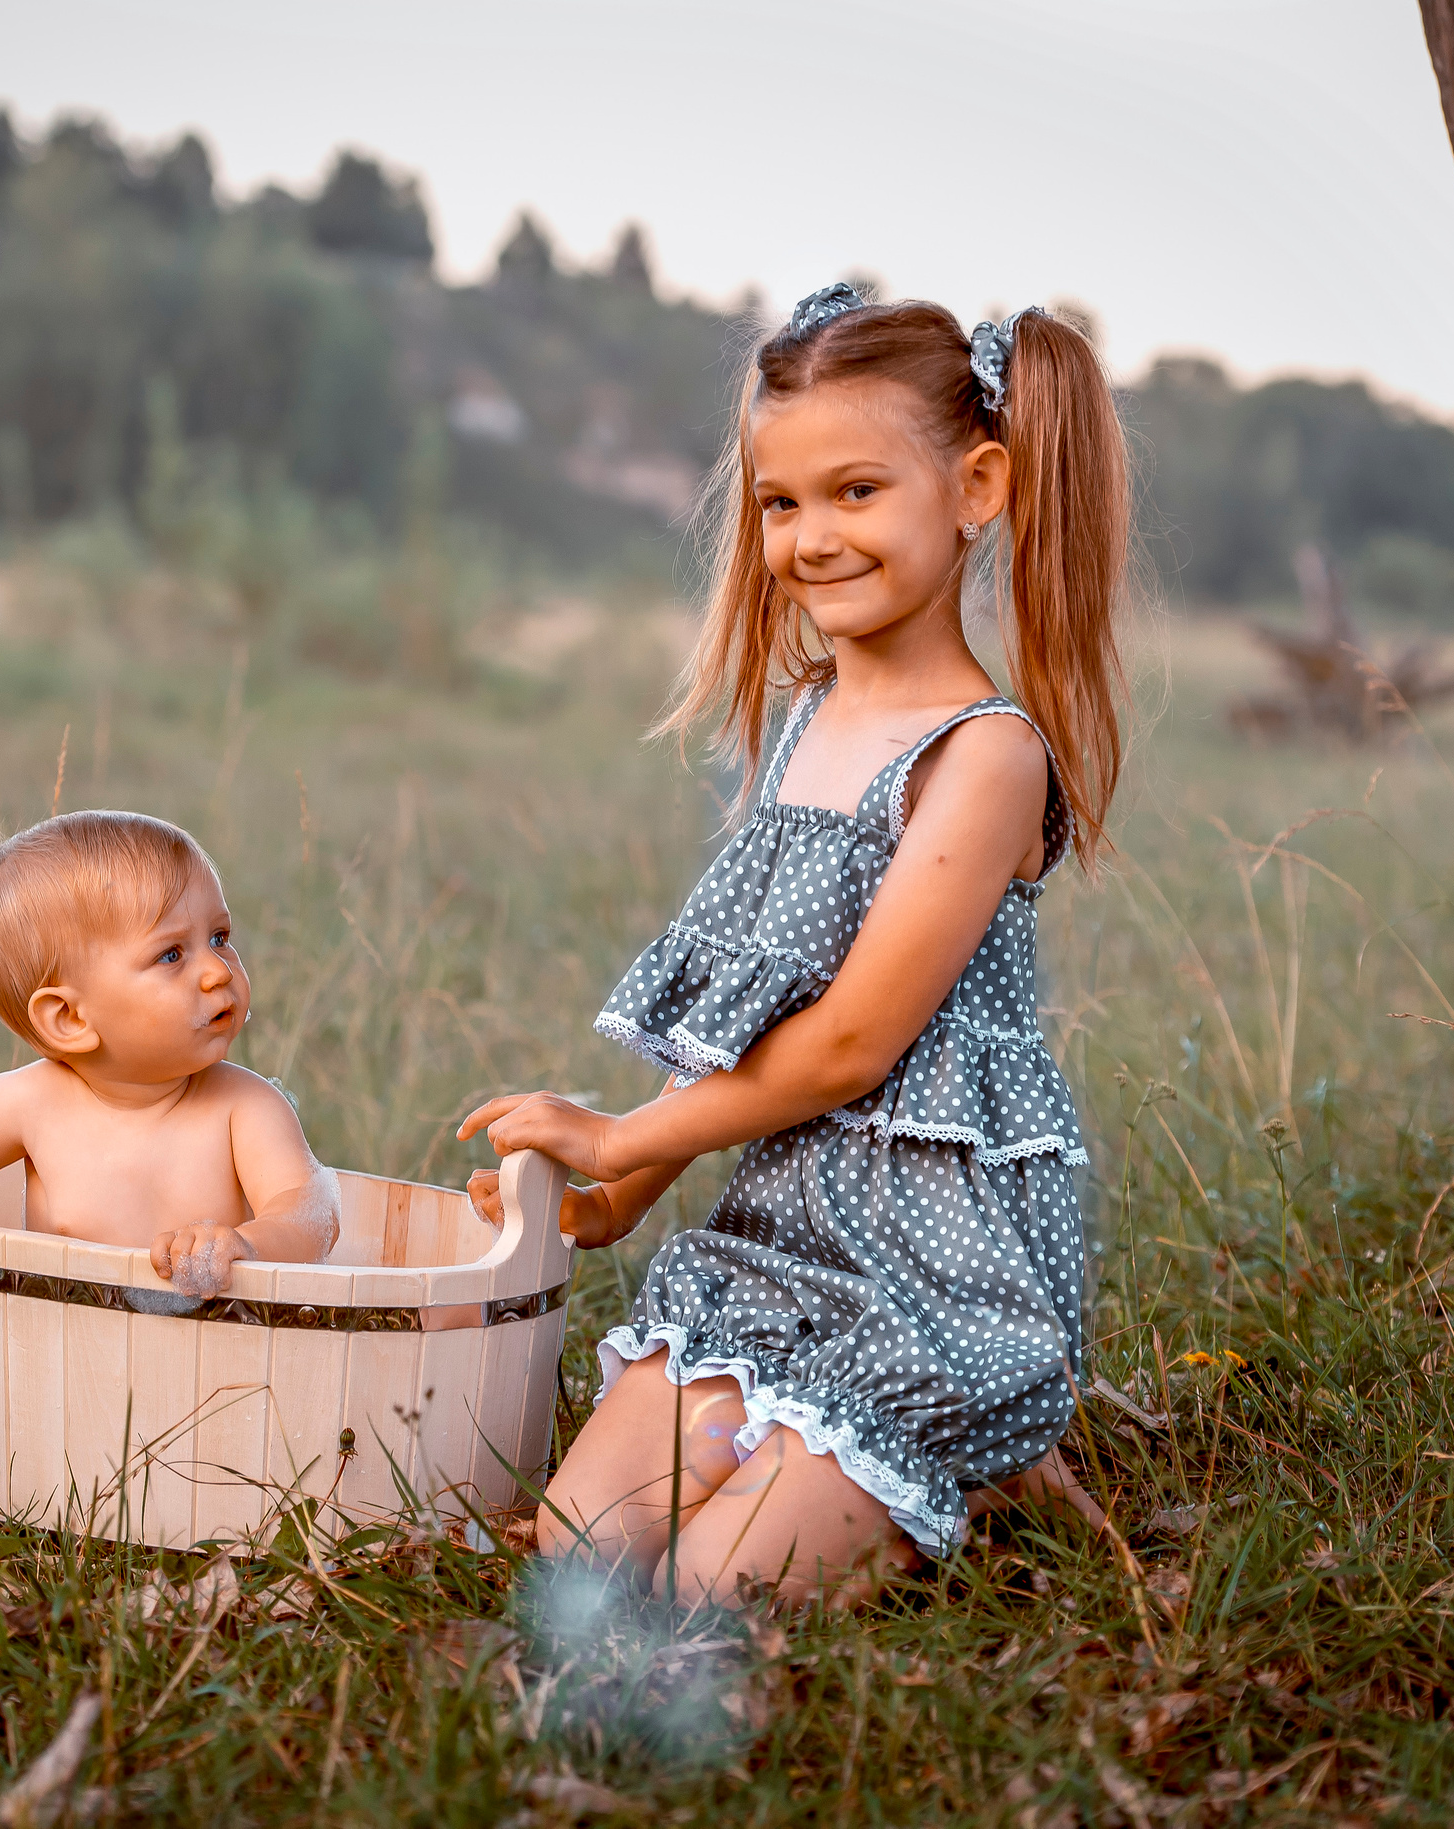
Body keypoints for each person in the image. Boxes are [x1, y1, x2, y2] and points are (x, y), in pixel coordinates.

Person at [460, 285, 1126, 1605]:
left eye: (858, 491)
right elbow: (752, 1016)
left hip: (942, 1259)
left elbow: (848, 1045)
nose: (812, 537)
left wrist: (620, 1137)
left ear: (977, 484)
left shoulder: (982, 756)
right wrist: (632, 1189)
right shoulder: (801, 725)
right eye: (782, 501)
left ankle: (979, 1459)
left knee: (718, 1587)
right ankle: (838, 1461)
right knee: (582, 1556)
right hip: (784, 1235)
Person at [0, 810, 338, 1296]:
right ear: (69, 1019)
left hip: (211, 1355)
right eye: (171, 954)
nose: (218, 971)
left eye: (219, 938)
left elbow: (312, 1211)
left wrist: (247, 1245)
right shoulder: (33, 1102)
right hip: (67, 1349)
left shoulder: (245, 1107)